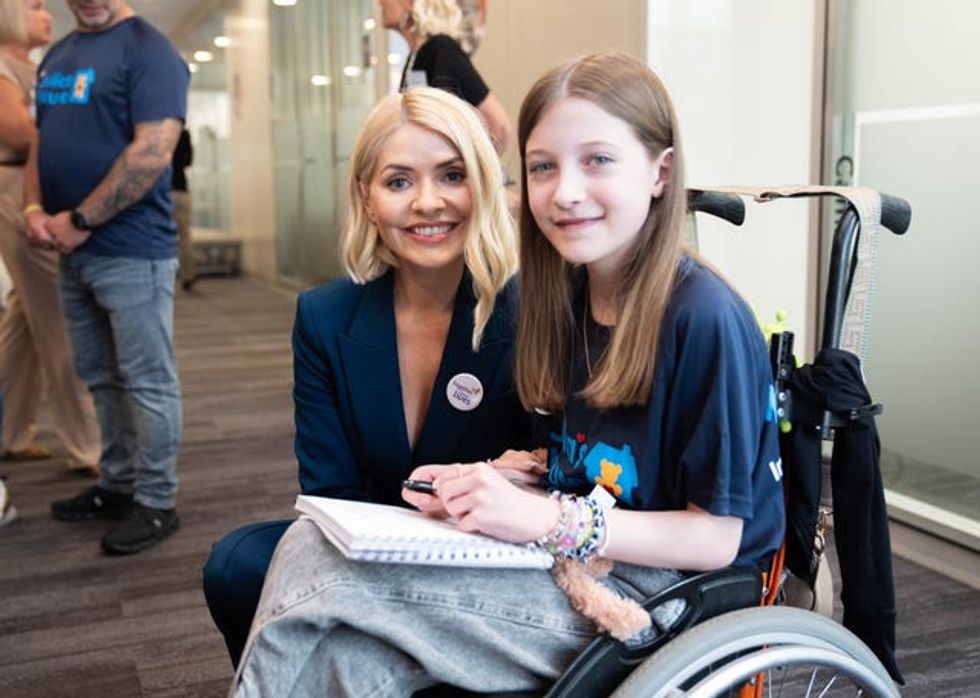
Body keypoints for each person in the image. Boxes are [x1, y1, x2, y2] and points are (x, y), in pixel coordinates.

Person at [231, 53, 785, 696]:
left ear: (661, 173)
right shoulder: (570, 299)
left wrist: (546, 522)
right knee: (345, 658)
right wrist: (495, 480)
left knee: (315, 563)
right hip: (580, 568)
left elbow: (718, 539)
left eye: (597, 160)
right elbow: (591, 469)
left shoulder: (702, 315)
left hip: (669, 600)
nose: (566, 191)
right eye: (544, 167)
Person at [203, 86, 530, 665]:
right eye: (399, 181)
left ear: (483, 185)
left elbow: (552, 474)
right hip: (371, 543)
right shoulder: (325, 318)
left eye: (451, 175)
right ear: (367, 197)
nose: (427, 202)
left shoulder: (530, 310)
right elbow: (330, 490)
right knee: (237, 564)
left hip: (495, 557)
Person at [23, 0, 189, 555]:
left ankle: (158, 502)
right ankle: (117, 486)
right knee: (99, 375)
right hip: (73, 249)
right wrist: (32, 211)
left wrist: (81, 219)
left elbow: (152, 152)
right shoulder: (60, 53)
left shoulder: (149, 50)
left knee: (148, 380)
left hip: (131, 250)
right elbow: (40, 142)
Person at [0, 0, 101, 473]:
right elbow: (22, 136)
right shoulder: (2, 66)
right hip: (19, 192)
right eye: (36, 6)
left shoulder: (33, 66)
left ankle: (10, 433)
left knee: (24, 322)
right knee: (62, 320)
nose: (47, 14)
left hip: (34, 188)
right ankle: (88, 448)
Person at [380, 0, 512, 153]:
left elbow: (500, 126)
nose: (380, 2)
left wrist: (475, 170)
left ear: (412, 3)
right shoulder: (416, 56)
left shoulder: (443, 50)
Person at [172, 126, 196, 291]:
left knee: (158, 237)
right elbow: (188, 161)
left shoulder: (155, 130)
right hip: (180, 189)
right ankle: (187, 276)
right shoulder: (184, 133)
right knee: (184, 236)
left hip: (159, 191)